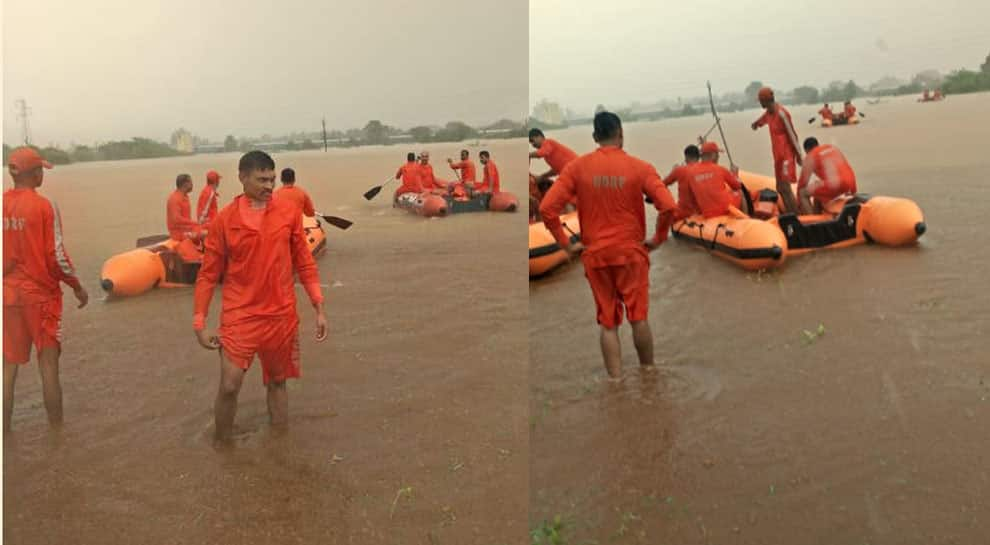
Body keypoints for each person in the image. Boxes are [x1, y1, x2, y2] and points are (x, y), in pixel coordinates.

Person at [193, 151, 328, 442]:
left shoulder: (287, 213)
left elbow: (304, 261)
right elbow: (207, 275)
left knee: (278, 383)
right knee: (229, 385)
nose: (269, 186)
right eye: (262, 180)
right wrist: (199, 322)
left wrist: (318, 305)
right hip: (240, 313)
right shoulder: (224, 221)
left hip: (280, 313)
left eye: (272, 179)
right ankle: (223, 446)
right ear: (242, 178)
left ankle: (279, 451)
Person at [538, 112, 677, 379]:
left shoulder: (576, 168)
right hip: (631, 253)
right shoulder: (641, 167)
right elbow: (668, 206)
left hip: (596, 256)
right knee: (639, 318)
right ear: (621, 134)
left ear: (594, 137)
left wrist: (566, 245)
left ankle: (615, 383)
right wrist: (659, 238)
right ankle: (648, 374)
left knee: (608, 324)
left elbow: (547, 208)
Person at [3, 147, 89, 432]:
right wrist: (77, 286)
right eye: (41, 170)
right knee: (49, 365)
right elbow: (57, 257)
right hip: (41, 298)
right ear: (35, 173)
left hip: (8, 296)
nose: (43, 175)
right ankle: (57, 437)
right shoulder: (44, 206)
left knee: (7, 369)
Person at [751, 86, 802, 214]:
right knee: (780, 188)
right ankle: (789, 213)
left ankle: (796, 215)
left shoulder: (782, 114)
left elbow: (792, 134)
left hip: (786, 155)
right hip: (777, 156)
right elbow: (763, 120)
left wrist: (799, 155)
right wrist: (756, 124)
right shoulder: (768, 113)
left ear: (766, 100)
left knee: (786, 187)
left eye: (761, 101)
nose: (760, 104)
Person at [686, 141, 749, 218]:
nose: (718, 157)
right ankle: (746, 221)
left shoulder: (691, 173)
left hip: (706, 212)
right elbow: (737, 186)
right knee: (740, 193)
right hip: (723, 209)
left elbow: (691, 197)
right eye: (717, 154)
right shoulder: (720, 169)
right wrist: (735, 174)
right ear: (713, 155)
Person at [797, 137, 858, 214]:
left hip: (834, 185)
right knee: (817, 187)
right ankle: (817, 214)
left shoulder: (810, 156)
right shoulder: (832, 148)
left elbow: (802, 184)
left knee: (802, 193)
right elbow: (846, 168)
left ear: (807, 150)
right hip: (850, 182)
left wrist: (798, 204)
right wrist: (853, 192)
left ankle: (813, 222)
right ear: (818, 144)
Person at [167, 174, 206, 262]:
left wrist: (198, 224)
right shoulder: (174, 198)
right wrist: (195, 223)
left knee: (210, 228)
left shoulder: (184, 196)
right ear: (185, 184)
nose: (192, 185)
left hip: (187, 230)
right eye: (191, 182)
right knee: (205, 233)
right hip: (179, 235)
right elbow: (176, 220)